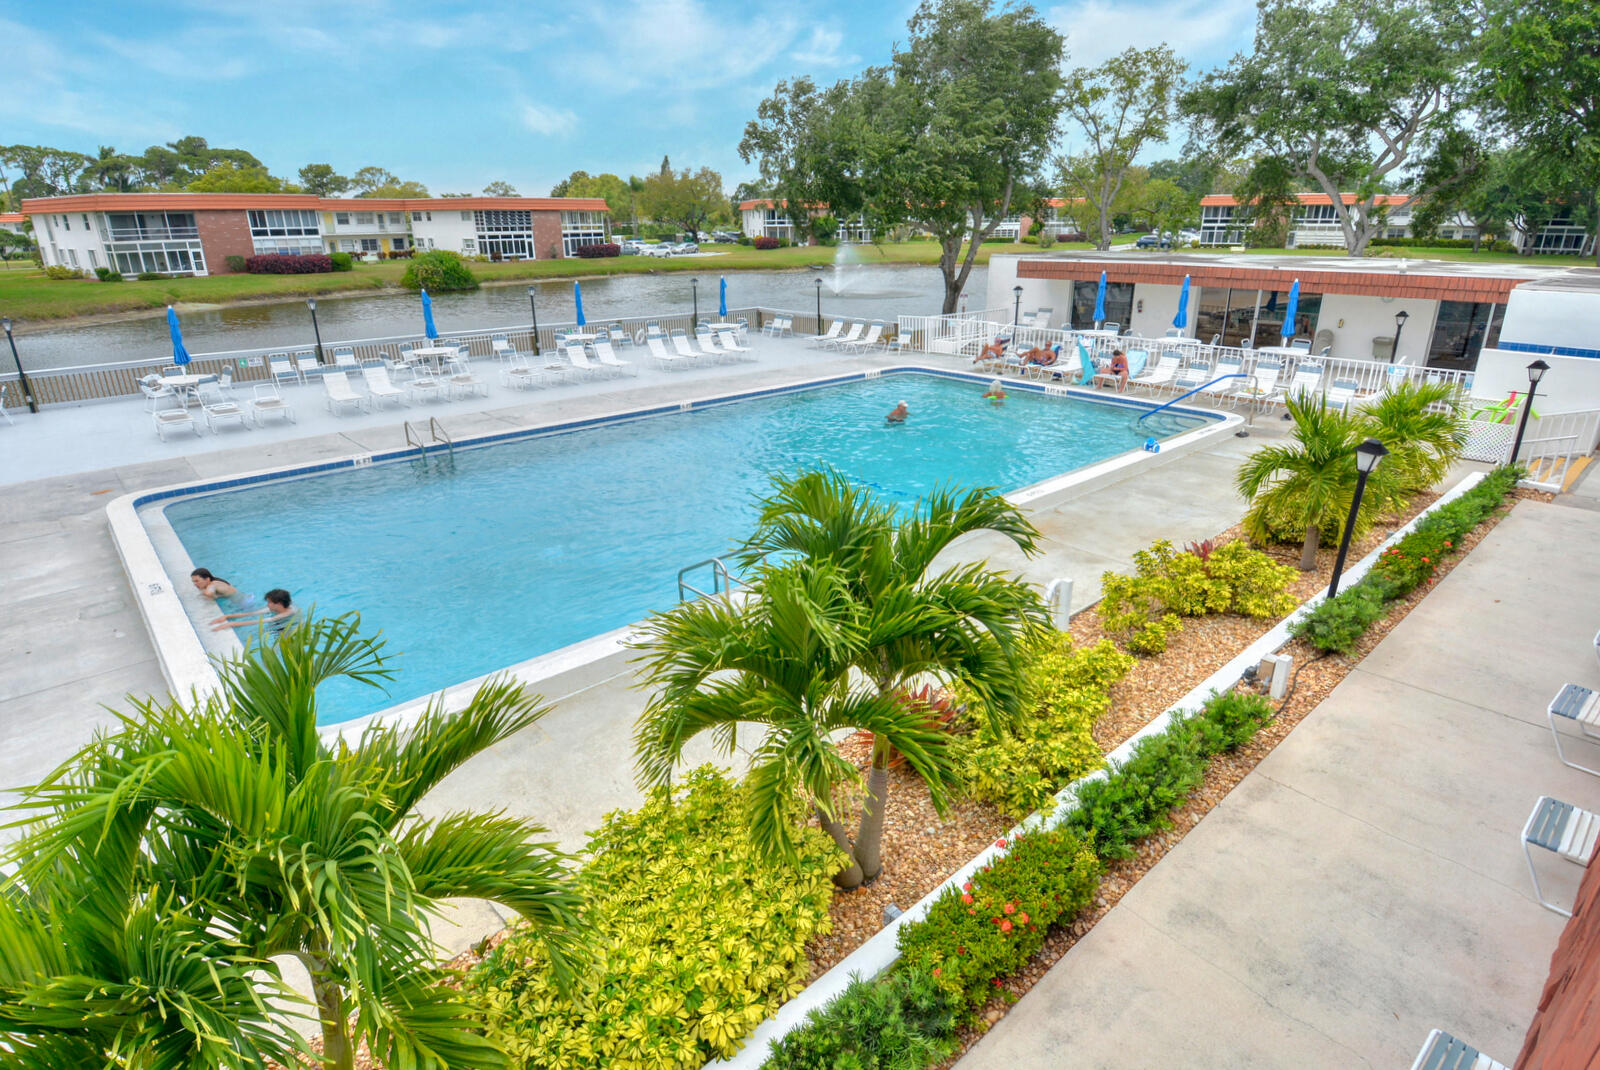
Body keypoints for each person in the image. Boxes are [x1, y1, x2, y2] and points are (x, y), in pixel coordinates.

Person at [212, 588, 298, 640]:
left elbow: (259, 621)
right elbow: (253, 613)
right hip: (277, 622)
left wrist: (232, 623)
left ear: (278, 604)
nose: (267, 604)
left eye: (269, 602)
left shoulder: (288, 612)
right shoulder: (279, 606)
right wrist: (228, 616)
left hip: (287, 627)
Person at [191, 568, 256, 613]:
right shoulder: (215, 582)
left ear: (207, 579)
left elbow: (209, 594)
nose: (195, 584)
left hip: (244, 603)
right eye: (193, 582)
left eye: (197, 581)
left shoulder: (213, 585)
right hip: (244, 599)